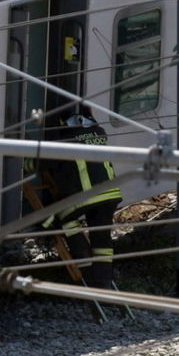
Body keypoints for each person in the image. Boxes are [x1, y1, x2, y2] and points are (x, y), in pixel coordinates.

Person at [41, 108, 122, 289]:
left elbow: (45, 162)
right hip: (110, 195)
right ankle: (104, 281)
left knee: (63, 217)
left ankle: (83, 262)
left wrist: (24, 161)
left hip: (87, 197)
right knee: (102, 239)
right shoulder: (100, 134)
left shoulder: (65, 140)